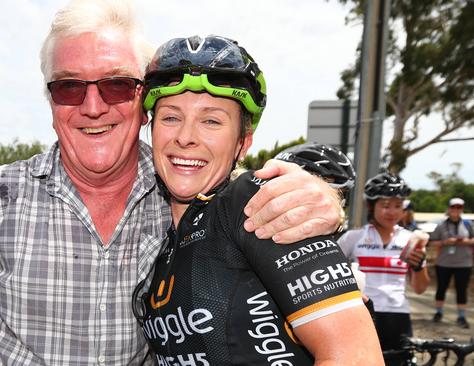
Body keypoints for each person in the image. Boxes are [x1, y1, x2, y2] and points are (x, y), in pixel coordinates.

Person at [0, 1, 344, 364]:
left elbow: (244, 185)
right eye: (69, 87)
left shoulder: (180, 187)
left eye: (115, 86)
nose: (92, 107)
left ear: (143, 101)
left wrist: (325, 199)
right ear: (50, 100)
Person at [133, 34, 382, 365]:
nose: (185, 137)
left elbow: (356, 357)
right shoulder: (158, 224)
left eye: (211, 121)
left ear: (243, 143)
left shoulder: (255, 202)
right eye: (171, 117)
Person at [337, 172, 430, 365]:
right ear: (371, 206)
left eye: (398, 206)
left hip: (398, 316)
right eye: (385, 205)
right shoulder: (353, 238)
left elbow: (420, 289)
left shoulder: (410, 239)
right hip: (363, 313)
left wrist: (419, 265)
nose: (392, 212)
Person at [428, 197, 473, 329]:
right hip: (444, 263)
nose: (456, 210)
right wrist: (444, 242)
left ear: (462, 209)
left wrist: (465, 241)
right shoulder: (441, 225)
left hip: (464, 263)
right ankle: (439, 313)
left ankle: (461, 316)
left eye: (459, 207)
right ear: (449, 209)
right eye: (453, 207)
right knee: (441, 288)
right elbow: (430, 242)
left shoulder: (468, 224)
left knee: (461, 290)